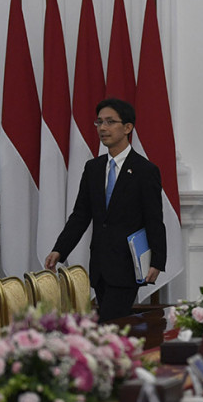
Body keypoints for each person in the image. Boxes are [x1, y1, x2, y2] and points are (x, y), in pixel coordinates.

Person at [44, 98, 166, 322]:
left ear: (128, 127)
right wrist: (60, 250)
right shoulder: (94, 168)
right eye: (99, 122)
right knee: (111, 327)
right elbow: (81, 214)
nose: (103, 128)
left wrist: (158, 261)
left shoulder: (144, 170)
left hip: (128, 265)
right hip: (100, 265)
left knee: (110, 324)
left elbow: (154, 218)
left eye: (110, 122)